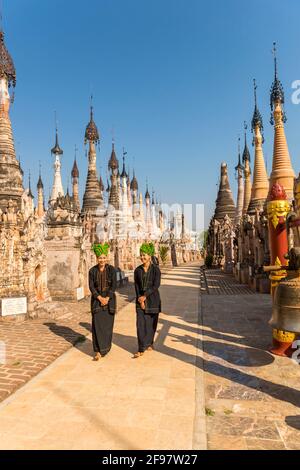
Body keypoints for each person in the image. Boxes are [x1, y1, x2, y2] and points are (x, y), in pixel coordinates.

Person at [89, 243, 117, 360]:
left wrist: (107, 298)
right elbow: (91, 286)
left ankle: (105, 348)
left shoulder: (112, 270)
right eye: (100, 257)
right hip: (97, 301)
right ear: (96, 258)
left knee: (107, 326)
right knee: (96, 326)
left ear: (107, 257)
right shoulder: (92, 271)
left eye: (104, 257)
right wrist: (100, 298)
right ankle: (98, 351)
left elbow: (114, 285)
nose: (102, 260)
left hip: (109, 301)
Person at [133, 242, 161, 358]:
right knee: (140, 324)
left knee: (151, 324)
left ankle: (150, 342)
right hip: (140, 300)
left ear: (150, 256)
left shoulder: (156, 270)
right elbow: (136, 286)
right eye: (141, 255)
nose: (143, 257)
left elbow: (156, 285)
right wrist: (141, 299)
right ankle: (141, 348)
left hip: (153, 299)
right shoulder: (137, 270)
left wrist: (145, 296)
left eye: (145, 255)